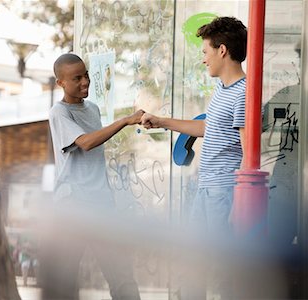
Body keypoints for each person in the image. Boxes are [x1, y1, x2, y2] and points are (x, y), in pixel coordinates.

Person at [141, 16, 247, 300]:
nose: (204, 59)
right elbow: (207, 128)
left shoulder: (244, 95)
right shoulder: (223, 90)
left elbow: (249, 153)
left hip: (224, 192)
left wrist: (241, 203)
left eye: (205, 51)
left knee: (223, 270)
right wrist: (162, 121)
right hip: (206, 188)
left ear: (222, 50)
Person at [41, 53, 143, 300]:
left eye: (85, 75)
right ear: (61, 83)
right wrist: (125, 121)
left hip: (101, 205)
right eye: (77, 78)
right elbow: (85, 143)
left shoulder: (93, 109)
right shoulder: (59, 113)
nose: (85, 81)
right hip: (72, 205)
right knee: (65, 280)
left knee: (122, 276)